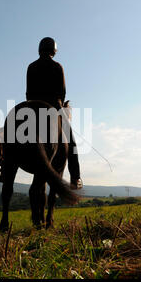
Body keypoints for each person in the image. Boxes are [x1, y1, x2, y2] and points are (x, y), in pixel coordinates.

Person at [26, 37, 83, 190]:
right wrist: (60, 105)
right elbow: (62, 92)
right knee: (71, 142)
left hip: (31, 107)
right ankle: (75, 177)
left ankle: (5, 170)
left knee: (13, 134)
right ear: (54, 50)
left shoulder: (31, 67)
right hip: (53, 107)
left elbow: (28, 92)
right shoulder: (57, 66)